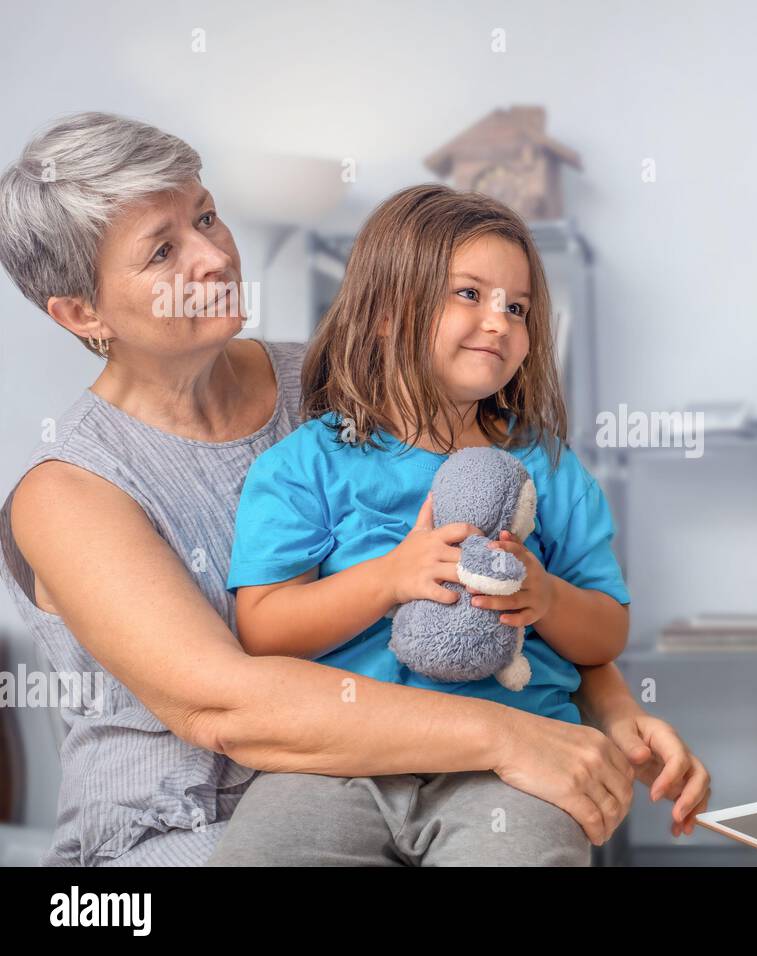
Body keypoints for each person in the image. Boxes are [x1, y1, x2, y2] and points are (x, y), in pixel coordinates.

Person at [0, 112, 709, 866]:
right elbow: (228, 706)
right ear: (84, 312)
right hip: (182, 834)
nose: (214, 256)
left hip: (421, 794)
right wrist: (511, 736)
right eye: (164, 249)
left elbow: (531, 577)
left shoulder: (351, 385)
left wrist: (613, 710)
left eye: (206, 215)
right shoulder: (69, 490)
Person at [209, 184, 636, 865]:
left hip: (514, 763)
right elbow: (263, 629)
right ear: (383, 312)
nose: (498, 321)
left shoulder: (549, 469)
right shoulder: (308, 463)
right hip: (338, 763)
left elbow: (607, 631)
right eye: (469, 293)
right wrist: (388, 579)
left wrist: (548, 599)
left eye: (517, 307)